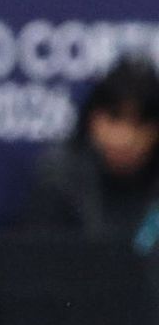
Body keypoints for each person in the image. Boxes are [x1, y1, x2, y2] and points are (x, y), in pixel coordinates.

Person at [24, 57, 159, 250]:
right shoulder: (59, 178)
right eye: (114, 118)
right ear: (92, 120)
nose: (126, 137)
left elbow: (146, 245)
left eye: (142, 123)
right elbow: (40, 262)